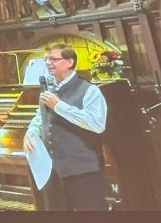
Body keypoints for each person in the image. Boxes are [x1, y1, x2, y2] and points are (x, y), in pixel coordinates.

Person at [24, 43, 109, 211]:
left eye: (54, 59)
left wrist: (59, 106)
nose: (48, 63)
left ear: (70, 62)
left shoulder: (89, 90)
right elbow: (40, 115)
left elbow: (97, 124)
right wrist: (31, 131)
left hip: (83, 172)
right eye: (46, 59)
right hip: (54, 171)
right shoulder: (50, 88)